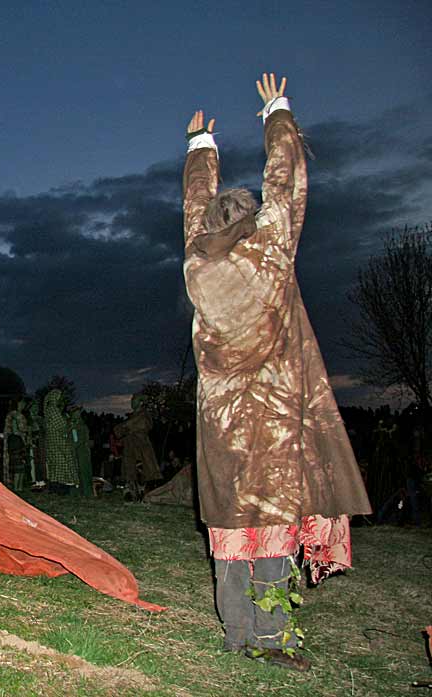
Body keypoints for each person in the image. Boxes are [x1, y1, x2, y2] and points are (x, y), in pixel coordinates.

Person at [182, 73, 371, 670]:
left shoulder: (197, 259)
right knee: (270, 528)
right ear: (253, 219)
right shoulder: (271, 249)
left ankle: (239, 636)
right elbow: (285, 184)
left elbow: (194, 213)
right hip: (274, 421)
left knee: (233, 527)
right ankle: (270, 636)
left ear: (212, 222)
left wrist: (199, 149)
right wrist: (276, 112)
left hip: (221, 425)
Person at [112, 394, 162, 500]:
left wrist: (126, 426)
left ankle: (141, 492)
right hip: (130, 446)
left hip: (141, 446)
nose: (132, 402)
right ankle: (130, 492)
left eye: (134, 400)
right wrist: (126, 428)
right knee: (129, 470)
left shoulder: (144, 415)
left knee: (142, 469)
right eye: (132, 400)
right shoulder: (133, 416)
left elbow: (142, 425)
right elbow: (118, 431)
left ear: (140, 402)